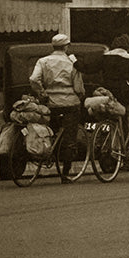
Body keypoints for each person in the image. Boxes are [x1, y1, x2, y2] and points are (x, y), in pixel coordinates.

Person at [29, 33, 84, 179]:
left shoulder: (43, 61)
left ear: (53, 46)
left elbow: (34, 79)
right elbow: (78, 87)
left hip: (50, 103)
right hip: (70, 103)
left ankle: (48, 150)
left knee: (50, 131)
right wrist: (80, 95)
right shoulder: (72, 62)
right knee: (70, 137)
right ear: (66, 47)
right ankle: (65, 173)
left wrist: (42, 93)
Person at [76, 34, 129, 142]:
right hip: (123, 92)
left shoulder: (105, 57)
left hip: (107, 90)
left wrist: (74, 61)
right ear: (128, 47)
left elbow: (88, 69)